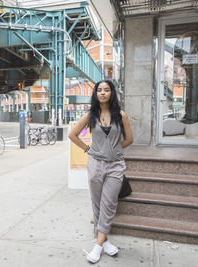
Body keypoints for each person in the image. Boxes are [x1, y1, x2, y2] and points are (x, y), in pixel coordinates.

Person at [68, 80, 133, 264]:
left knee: (109, 203)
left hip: (115, 166)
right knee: (96, 204)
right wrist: (88, 150)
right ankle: (105, 242)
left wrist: (114, 149)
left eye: (106, 90)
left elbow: (129, 139)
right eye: (99, 90)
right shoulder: (91, 115)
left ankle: (97, 246)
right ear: (96, 94)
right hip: (95, 164)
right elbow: (72, 135)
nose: (103, 93)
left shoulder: (121, 115)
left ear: (112, 93)